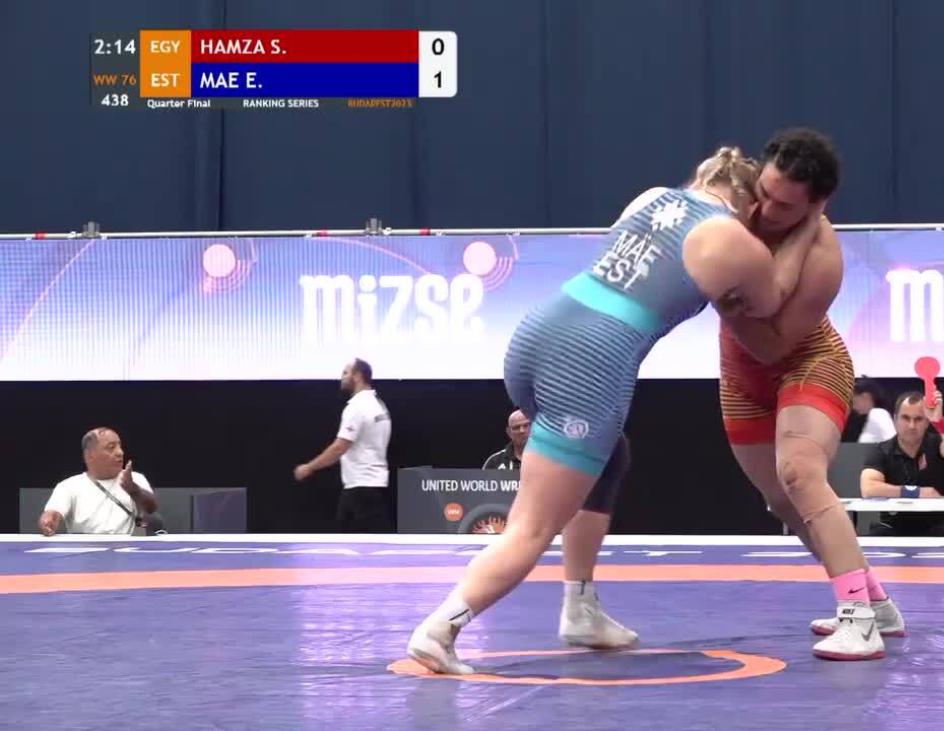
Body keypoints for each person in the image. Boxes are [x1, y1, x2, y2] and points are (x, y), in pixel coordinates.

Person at [406, 146, 823, 674]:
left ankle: (580, 609)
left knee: (610, 455)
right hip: (589, 363)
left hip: (539, 333)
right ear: (749, 204)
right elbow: (772, 302)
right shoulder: (737, 240)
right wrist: (809, 225)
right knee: (532, 527)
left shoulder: (653, 197)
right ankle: (441, 628)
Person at [717, 128, 903, 660]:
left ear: (815, 204)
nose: (766, 209)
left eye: (786, 207)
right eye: (765, 193)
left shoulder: (824, 257)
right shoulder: (735, 200)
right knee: (782, 499)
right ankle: (877, 604)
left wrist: (725, 301)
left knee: (800, 473)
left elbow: (772, 344)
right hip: (740, 378)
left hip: (808, 363)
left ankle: (858, 621)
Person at [294, 358, 394, 532]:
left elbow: (339, 447)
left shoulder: (357, 407)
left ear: (357, 376)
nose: (342, 377)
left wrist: (309, 467)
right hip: (372, 484)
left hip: (361, 487)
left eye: (345, 373)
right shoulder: (379, 405)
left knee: (364, 537)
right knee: (348, 535)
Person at [860, 390, 944, 536]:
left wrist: (939, 421)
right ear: (895, 419)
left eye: (918, 419)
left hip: (937, 528)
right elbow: (869, 488)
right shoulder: (881, 450)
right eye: (905, 418)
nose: (911, 425)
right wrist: (917, 492)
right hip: (892, 528)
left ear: (927, 422)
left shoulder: (939, 444)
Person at [39, 427, 158, 536]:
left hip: (125, 548)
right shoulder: (68, 486)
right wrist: (48, 521)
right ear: (90, 455)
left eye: (120, 446)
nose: (120, 452)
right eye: (111, 447)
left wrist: (133, 489)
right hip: (84, 549)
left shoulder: (135, 478)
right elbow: (53, 513)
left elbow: (151, 507)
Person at [844, 376, 896, 444]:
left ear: (865, 397)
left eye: (854, 401)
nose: (853, 407)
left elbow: (893, 442)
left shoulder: (878, 414)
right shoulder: (865, 419)